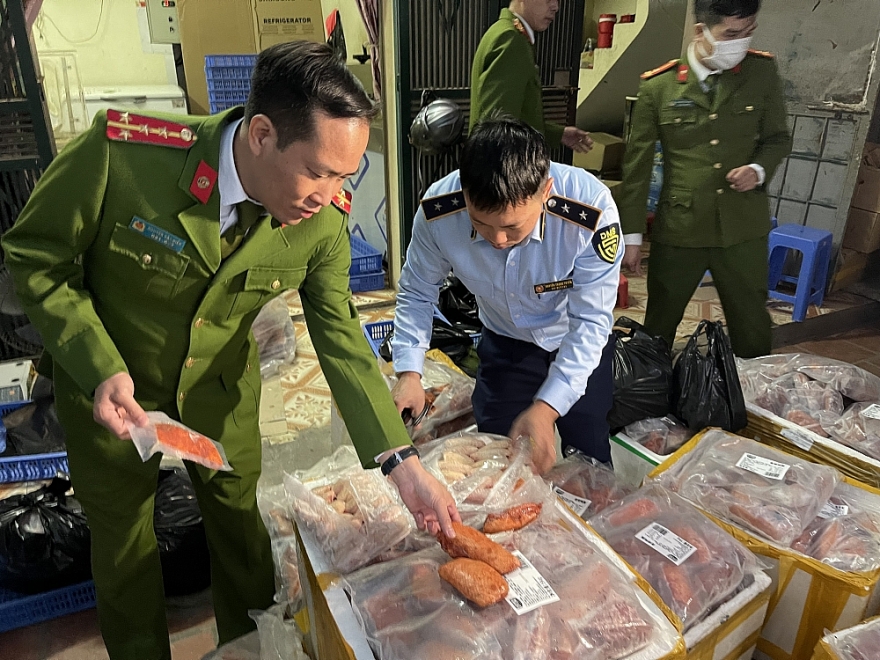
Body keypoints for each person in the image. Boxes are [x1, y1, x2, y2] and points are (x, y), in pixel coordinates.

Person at [2, 41, 459, 660]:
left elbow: (342, 340)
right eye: (319, 171)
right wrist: (97, 363)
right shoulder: (125, 156)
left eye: (344, 178)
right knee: (124, 550)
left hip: (221, 396)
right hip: (112, 396)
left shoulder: (320, 222)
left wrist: (402, 464)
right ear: (262, 135)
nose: (328, 195)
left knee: (241, 538)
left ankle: (249, 651)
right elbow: (37, 258)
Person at [391, 115, 622, 474]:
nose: (497, 240)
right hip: (505, 344)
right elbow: (417, 293)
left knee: (587, 457)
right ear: (465, 193)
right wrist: (409, 372)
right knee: (494, 460)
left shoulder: (590, 212)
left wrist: (547, 408)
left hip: (576, 344)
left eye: (512, 227)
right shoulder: (439, 213)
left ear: (545, 193)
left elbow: (591, 322)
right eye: (480, 223)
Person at [617, 0, 792, 358]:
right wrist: (631, 236)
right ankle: (650, 395)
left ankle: (755, 403)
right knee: (659, 325)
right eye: (731, 34)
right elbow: (637, 167)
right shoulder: (659, 87)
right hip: (681, 227)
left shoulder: (761, 73)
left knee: (752, 326)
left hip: (743, 227)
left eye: (748, 32)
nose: (741, 42)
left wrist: (757, 170)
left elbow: (778, 138)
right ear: (701, 32)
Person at [470, 0, 593, 154]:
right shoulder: (511, 40)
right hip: (506, 169)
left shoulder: (509, 34)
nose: (555, 7)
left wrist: (557, 134)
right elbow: (495, 131)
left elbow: (515, 118)